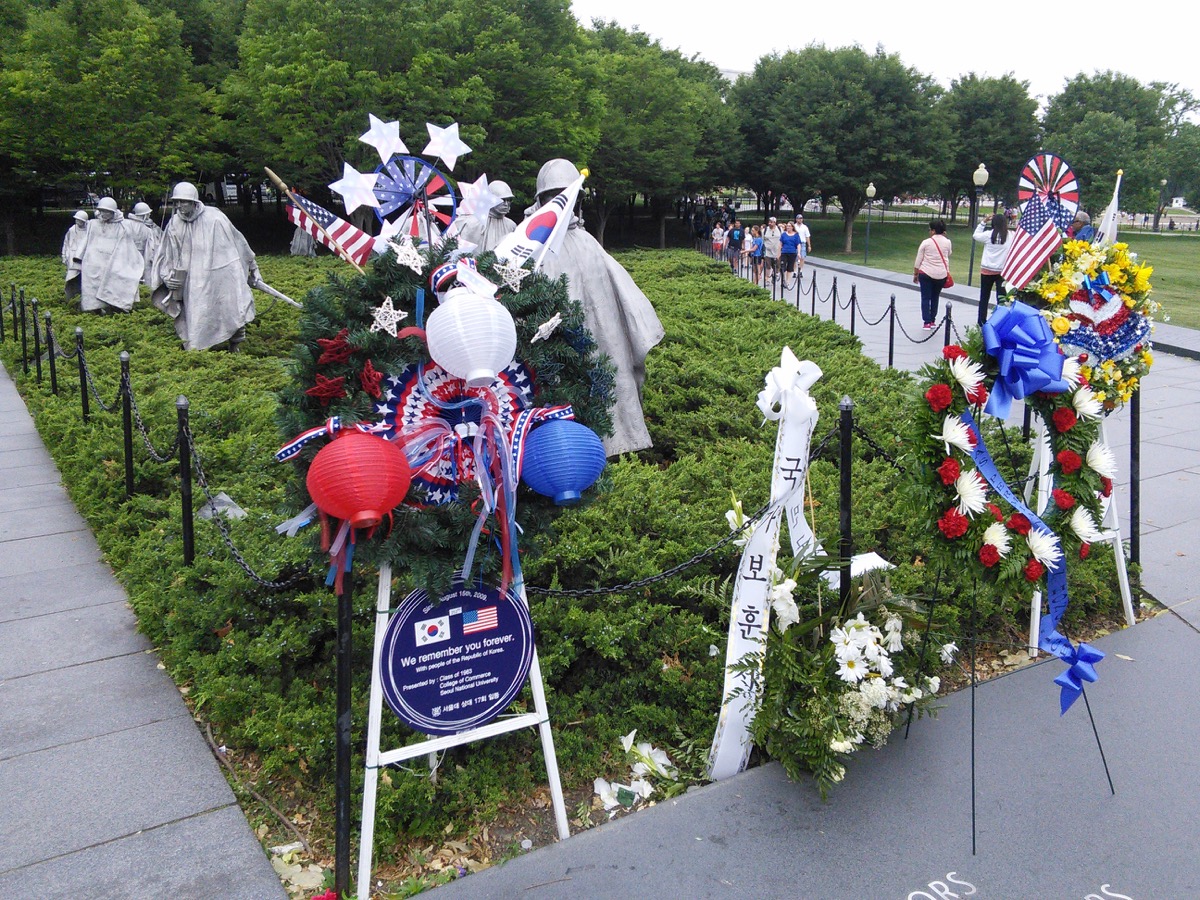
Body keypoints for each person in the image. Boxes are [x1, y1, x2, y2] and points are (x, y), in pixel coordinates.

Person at [527, 159, 665, 456]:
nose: (561, 202)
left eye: (567, 194)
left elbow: (619, 293)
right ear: (541, 200)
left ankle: (617, 439)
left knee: (610, 379)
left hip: (602, 338)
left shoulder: (587, 241)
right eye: (553, 196)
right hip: (554, 345)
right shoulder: (532, 243)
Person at [150, 182, 260, 352]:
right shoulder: (174, 223)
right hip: (192, 281)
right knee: (197, 314)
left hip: (220, 274)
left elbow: (238, 242)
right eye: (176, 202)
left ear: (194, 201)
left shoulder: (215, 218)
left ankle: (235, 344)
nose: (179, 206)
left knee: (231, 306)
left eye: (183, 201)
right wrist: (167, 277)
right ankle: (198, 349)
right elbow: (166, 254)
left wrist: (253, 267)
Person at [80, 197, 143, 314]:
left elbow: (126, 246)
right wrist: (78, 259)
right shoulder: (93, 224)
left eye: (107, 211)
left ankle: (116, 308)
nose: (104, 214)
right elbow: (86, 241)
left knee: (114, 285)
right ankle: (95, 310)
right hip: (94, 262)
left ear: (113, 212)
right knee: (93, 287)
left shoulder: (122, 226)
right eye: (102, 211)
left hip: (113, 261)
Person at [451, 179, 516, 253]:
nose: (506, 204)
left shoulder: (511, 226)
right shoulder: (471, 223)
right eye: (503, 200)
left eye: (509, 200)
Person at [972, 211, 1013, 325]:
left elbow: (975, 235)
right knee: (1001, 298)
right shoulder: (1010, 236)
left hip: (987, 270)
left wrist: (983, 222)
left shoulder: (989, 235)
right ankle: (1000, 321)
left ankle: (981, 321)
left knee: (984, 297)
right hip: (1002, 271)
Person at [913, 219, 951, 329]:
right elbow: (949, 253)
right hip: (941, 274)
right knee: (935, 297)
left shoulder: (926, 242)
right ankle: (933, 320)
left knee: (925, 298)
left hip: (926, 272)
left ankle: (926, 321)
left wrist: (915, 274)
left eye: (930, 229)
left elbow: (918, 260)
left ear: (933, 231)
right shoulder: (947, 242)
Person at [128, 201, 163, 283]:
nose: (149, 215)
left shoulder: (151, 226)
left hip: (144, 254)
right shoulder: (145, 229)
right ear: (144, 215)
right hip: (133, 255)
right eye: (148, 213)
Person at [61, 210, 89, 300]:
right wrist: (64, 255)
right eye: (76, 220)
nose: (77, 222)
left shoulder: (90, 230)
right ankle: (71, 297)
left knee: (85, 279)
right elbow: (66, 243)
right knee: (72, 278)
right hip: (73, 258)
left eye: (80, 220)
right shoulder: (72, 230)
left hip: (85, 259)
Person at [779, 221, 802, 290]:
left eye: (789, 226)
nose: (788, 227)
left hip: (792, 252)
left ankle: (787, 281)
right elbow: (780, 244)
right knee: (782, 267)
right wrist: (779, 253)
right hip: (784, 252)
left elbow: (798, 244)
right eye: (787, 226)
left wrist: (798, 253)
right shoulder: (783, 234)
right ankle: (783, 280)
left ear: (792, 227)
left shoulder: (796, 235)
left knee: (790, 267)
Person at [761, 216, 782, 284]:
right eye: (769, 222)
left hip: (777, 251)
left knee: (777, 266)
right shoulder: (765, 230)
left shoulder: (779, 229)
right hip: (768, 252)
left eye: (772, 222)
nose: (770, 223)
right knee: (768, 266)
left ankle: (775, 275)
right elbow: (763, 240)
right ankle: (767, 279)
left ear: (775, 223)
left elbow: (782, 239)